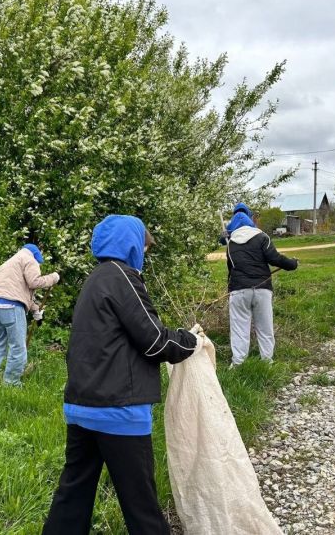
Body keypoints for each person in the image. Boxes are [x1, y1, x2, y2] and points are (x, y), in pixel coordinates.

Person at [43, 215, 200, 535]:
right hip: (119, 410)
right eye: (143, 247)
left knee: (73, 495)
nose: (143, 254)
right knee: (141, 505)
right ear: (131, 245)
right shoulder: (123, 278)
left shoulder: (95, 279)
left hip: (80, 407)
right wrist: (190, 340)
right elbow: (155, 341)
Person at [0, 243, 59, 386]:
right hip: (12, 307)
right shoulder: (29, 259)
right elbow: (34, 282)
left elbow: (17, 291)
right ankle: (11, 384)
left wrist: (36, 310)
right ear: (36, 256)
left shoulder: (8, 263)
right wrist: (53, 278)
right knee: (17, 347)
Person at [226, 212, 298, 366]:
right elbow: (275, 258)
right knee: (265, 327)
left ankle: (238, 364)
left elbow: (230, 270)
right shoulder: (262, 237)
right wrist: (292, 264)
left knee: (239, 329)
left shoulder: (230, 243)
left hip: (239, 291)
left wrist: (229, 290)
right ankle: (267, 362)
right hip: (262, 289)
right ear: (251, 223)